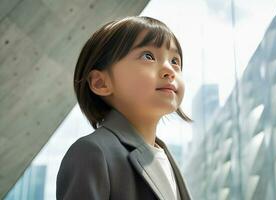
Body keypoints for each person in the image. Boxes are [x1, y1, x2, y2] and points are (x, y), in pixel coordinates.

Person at [56, 16, 193, 200]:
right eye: (148, 56)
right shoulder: (91, 152)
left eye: (175, 61)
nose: (170, 70)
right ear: (100, 82)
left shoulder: (167, 156)